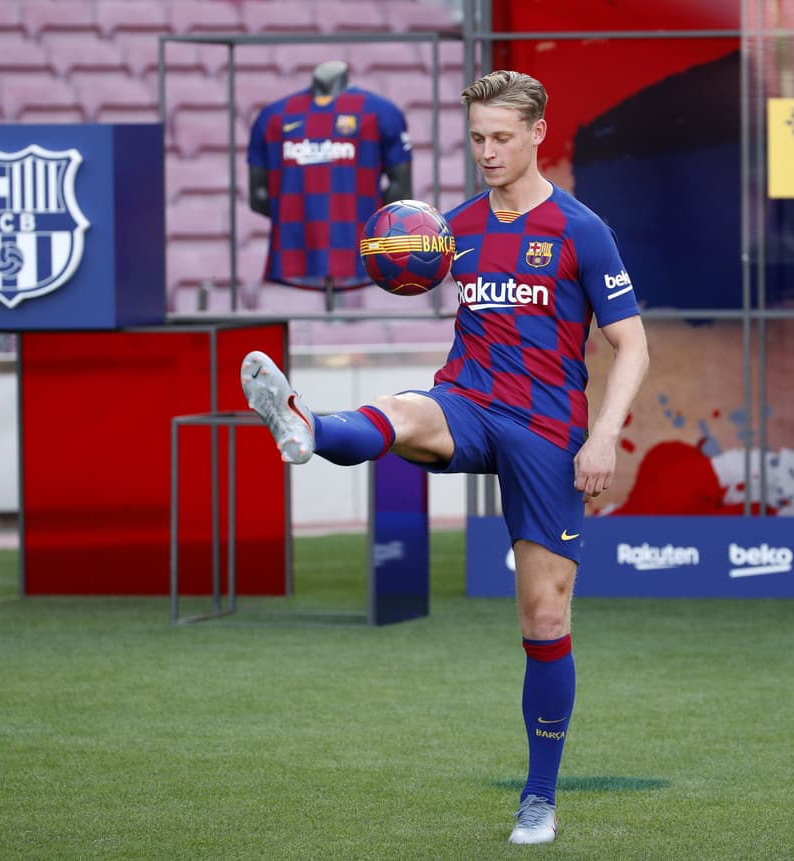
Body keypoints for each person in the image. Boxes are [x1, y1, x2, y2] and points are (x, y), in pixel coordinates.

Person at [240, 69, 649, 846]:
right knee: (401, 412)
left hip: (546, 430)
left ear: (536, 132)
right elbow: (406, 257)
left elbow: (632, 343)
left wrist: (604, 434)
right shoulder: (451, 228)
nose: (487, 152)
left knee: (544, 616)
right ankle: (307, 428)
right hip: (465, 400)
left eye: (501, 137)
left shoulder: (580, 229)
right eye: (477, 139)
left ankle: (539, 796)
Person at [247, 60, 413, 292]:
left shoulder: (381, 113)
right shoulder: (273, 116)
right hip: (314, 255)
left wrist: (293, 212)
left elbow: (402, 190)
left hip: (340, 253)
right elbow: (257, 196)